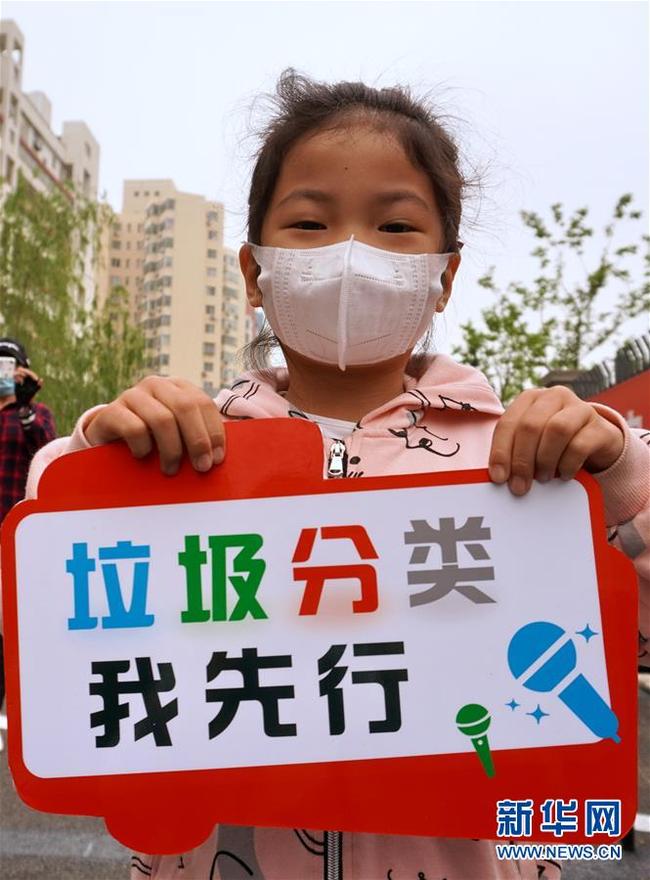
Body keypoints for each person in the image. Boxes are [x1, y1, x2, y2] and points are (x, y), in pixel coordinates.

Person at [25, 72, 649, 880]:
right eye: (310, 223)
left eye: (395, 225)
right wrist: (98, 456)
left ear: (445, 276)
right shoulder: (184, 451)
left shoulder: (517, 462)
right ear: (255, 272)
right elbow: (43, 592)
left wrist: (617, 467)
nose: (351, 253)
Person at [0, 337, 56, 713]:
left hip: (13, 545)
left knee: (12, 636)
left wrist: (24, 408)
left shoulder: (36, 414)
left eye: (8, 365)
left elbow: (48, 454)